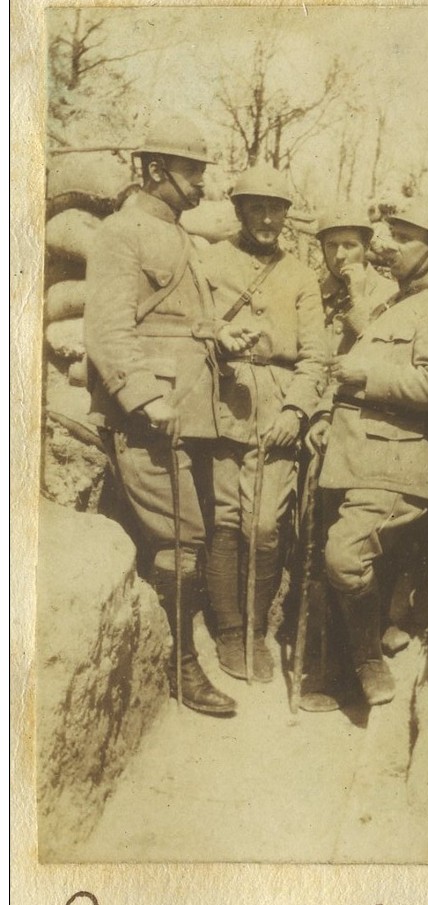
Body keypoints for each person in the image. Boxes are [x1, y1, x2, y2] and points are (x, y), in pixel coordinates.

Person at [84, 115, 253, 718]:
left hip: (191, 415)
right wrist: (142, 398)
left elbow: (179, 320)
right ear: (155, 171)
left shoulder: (178, 235)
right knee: (183, 543)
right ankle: (180, 670)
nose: (203, 185)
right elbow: (106, 330)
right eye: (192, 172)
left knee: (197, 538)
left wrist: (220, 333)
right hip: (150, 419)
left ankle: (173, 653)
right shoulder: (120, 234)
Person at [307, 199, 428, 707]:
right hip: (350, 456)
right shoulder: (393, 302)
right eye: (389, 234)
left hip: (395, 461)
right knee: (336, 562)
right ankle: (340, 671)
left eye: (404, 237)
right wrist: (325, 415)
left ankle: (368, 662)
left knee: (345, 557)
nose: (387, 245)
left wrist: (365, 376)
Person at [201, 163, 326, 683]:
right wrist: (217, 334)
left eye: (277, 208)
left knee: (267, 526)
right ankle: (231, 630)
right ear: (239, 210)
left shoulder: (300, 276)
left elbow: (316, 357)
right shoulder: (210, 261)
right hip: (221, 401)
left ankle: (257, 627)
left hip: (276, 410)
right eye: (258, 207)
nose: (268, 218)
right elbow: (193, 324)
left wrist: (296, 411)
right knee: (225, 518)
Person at [316, 209, 396, 358]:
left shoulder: (391, 294)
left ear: (366, 248)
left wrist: (358, 300)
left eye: (349, 245)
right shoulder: (314, 293)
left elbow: (386, 357)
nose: (339, 255)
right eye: (331, 245)